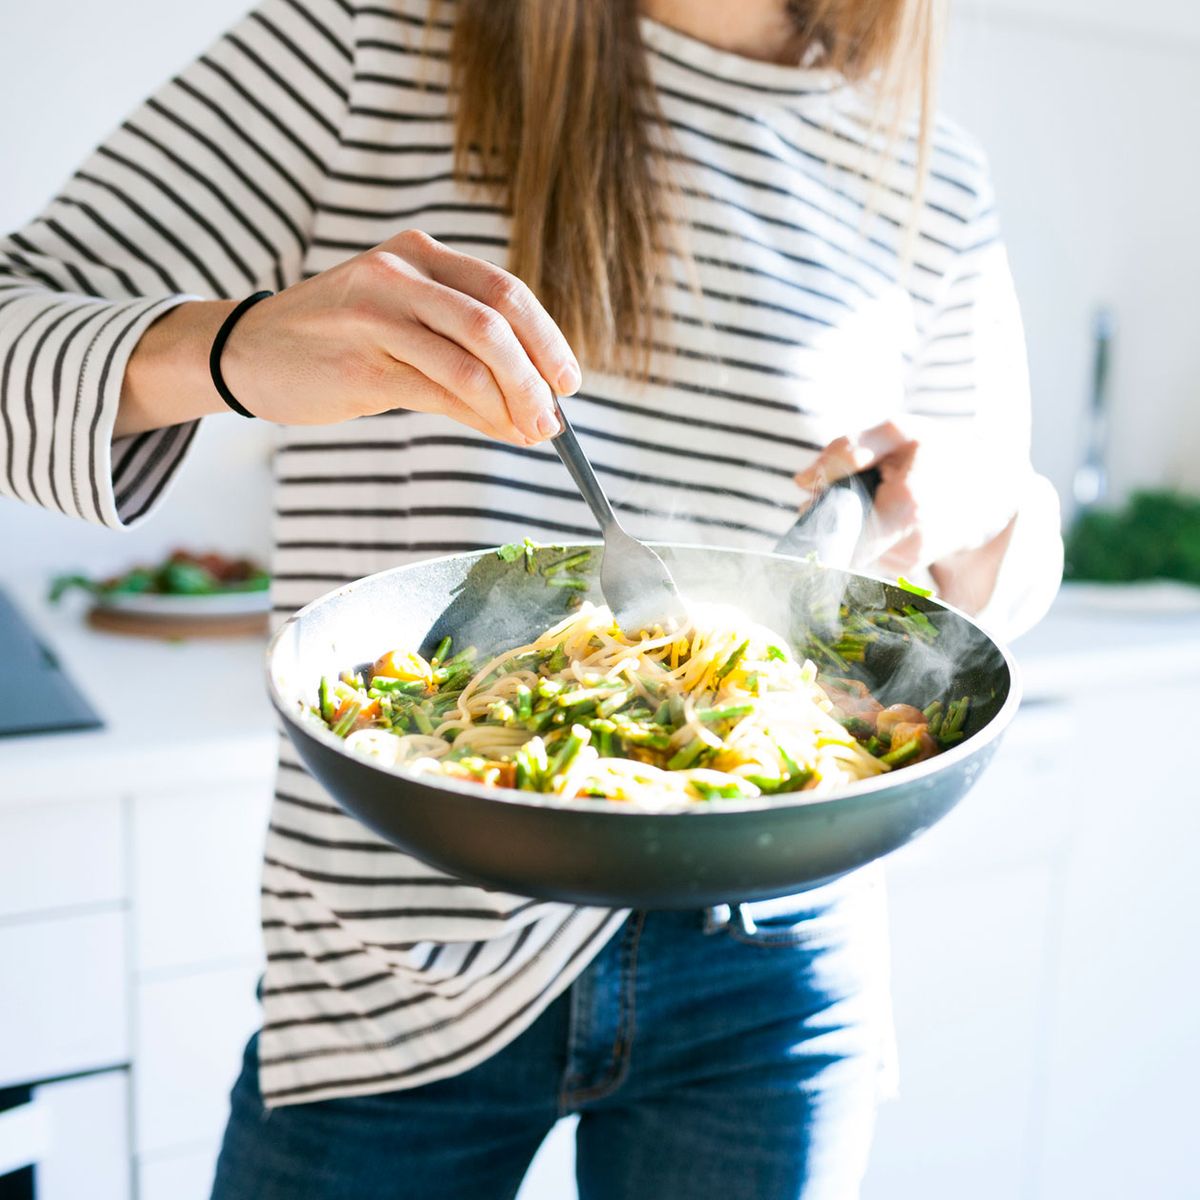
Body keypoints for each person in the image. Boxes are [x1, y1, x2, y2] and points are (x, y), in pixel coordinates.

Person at [0, 0, 1062, 1195]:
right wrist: (233, 348)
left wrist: (997, 507)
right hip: (394, 952)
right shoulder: (363, 42)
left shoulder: (928, 172)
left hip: (773, 950)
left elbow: (991, 595)